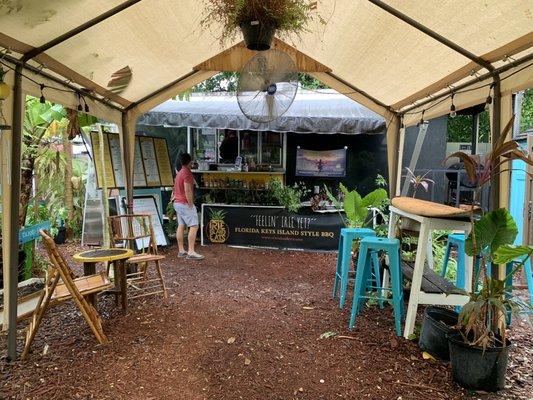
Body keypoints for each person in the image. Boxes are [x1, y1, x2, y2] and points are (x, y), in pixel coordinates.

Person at [172, 153, 204, 260]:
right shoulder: (187, 173)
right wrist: (191, 204)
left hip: (177, 202)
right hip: (184, 203)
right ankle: (191, 251)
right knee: (194, 226)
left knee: (181, 226)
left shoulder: (180, 172)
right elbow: (188, 190)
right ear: (190, 161)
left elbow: (175, 188)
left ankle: (181, 251)